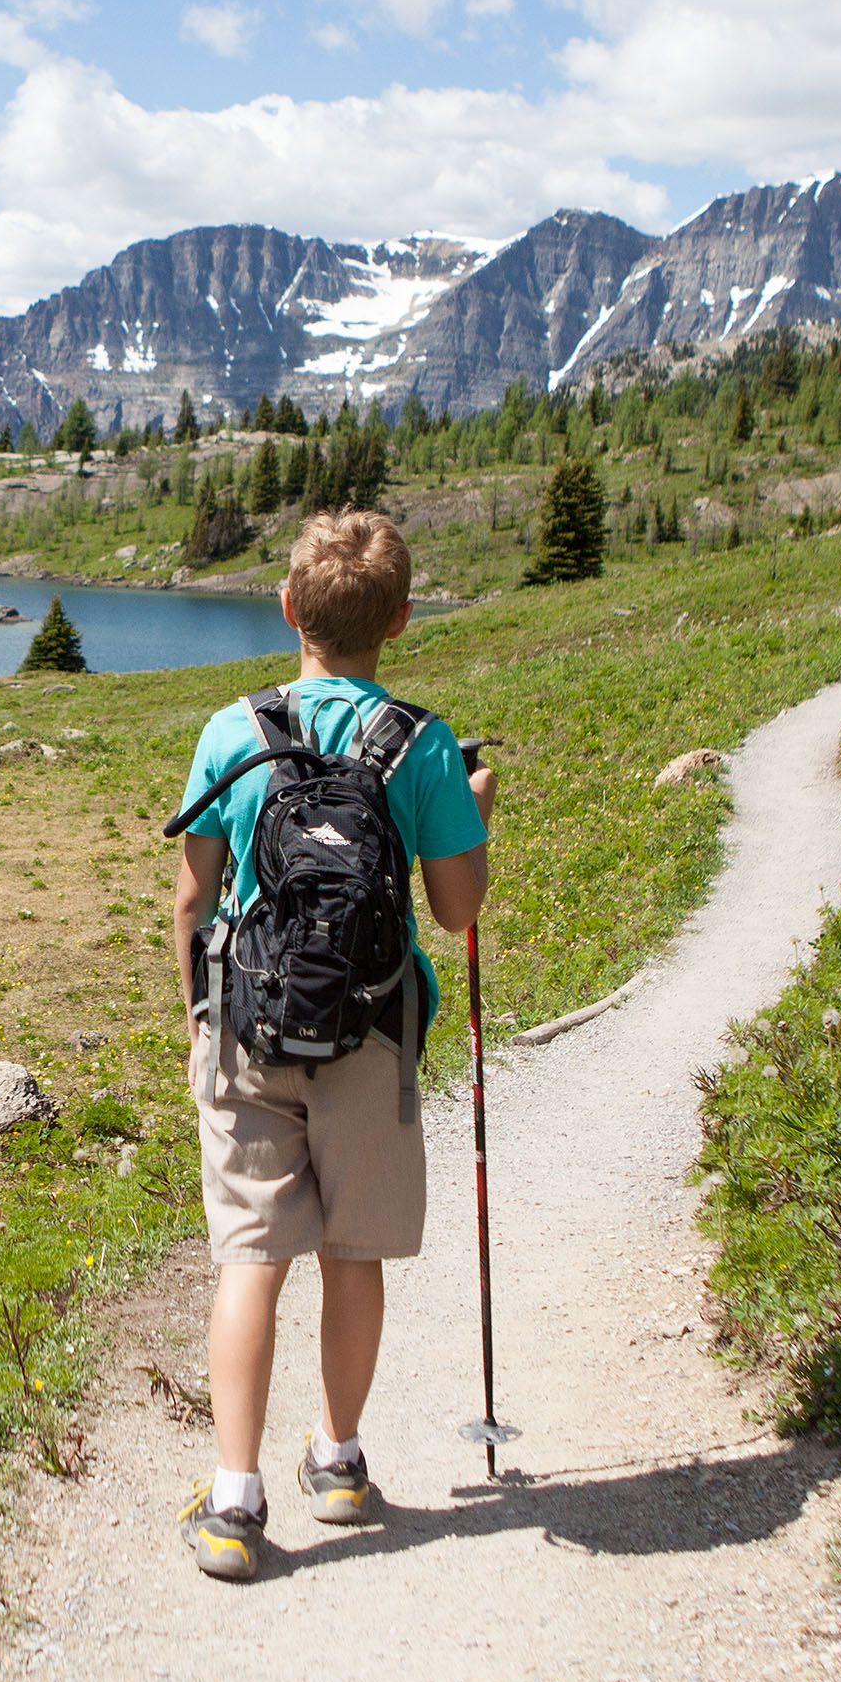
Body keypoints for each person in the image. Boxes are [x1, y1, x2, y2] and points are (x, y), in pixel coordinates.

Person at [166, 507, 493, 1581]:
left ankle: (232, 1500)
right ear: (399, 619)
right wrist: (474, 814)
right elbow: (455, 911)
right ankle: (341, 1462)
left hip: (251, 1028)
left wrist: (199, 1014)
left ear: (289, 607)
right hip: (374, 1030)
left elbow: (192, 895)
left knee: (250, 1256)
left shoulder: (233, 730)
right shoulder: (424, 744)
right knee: (352, 1252)